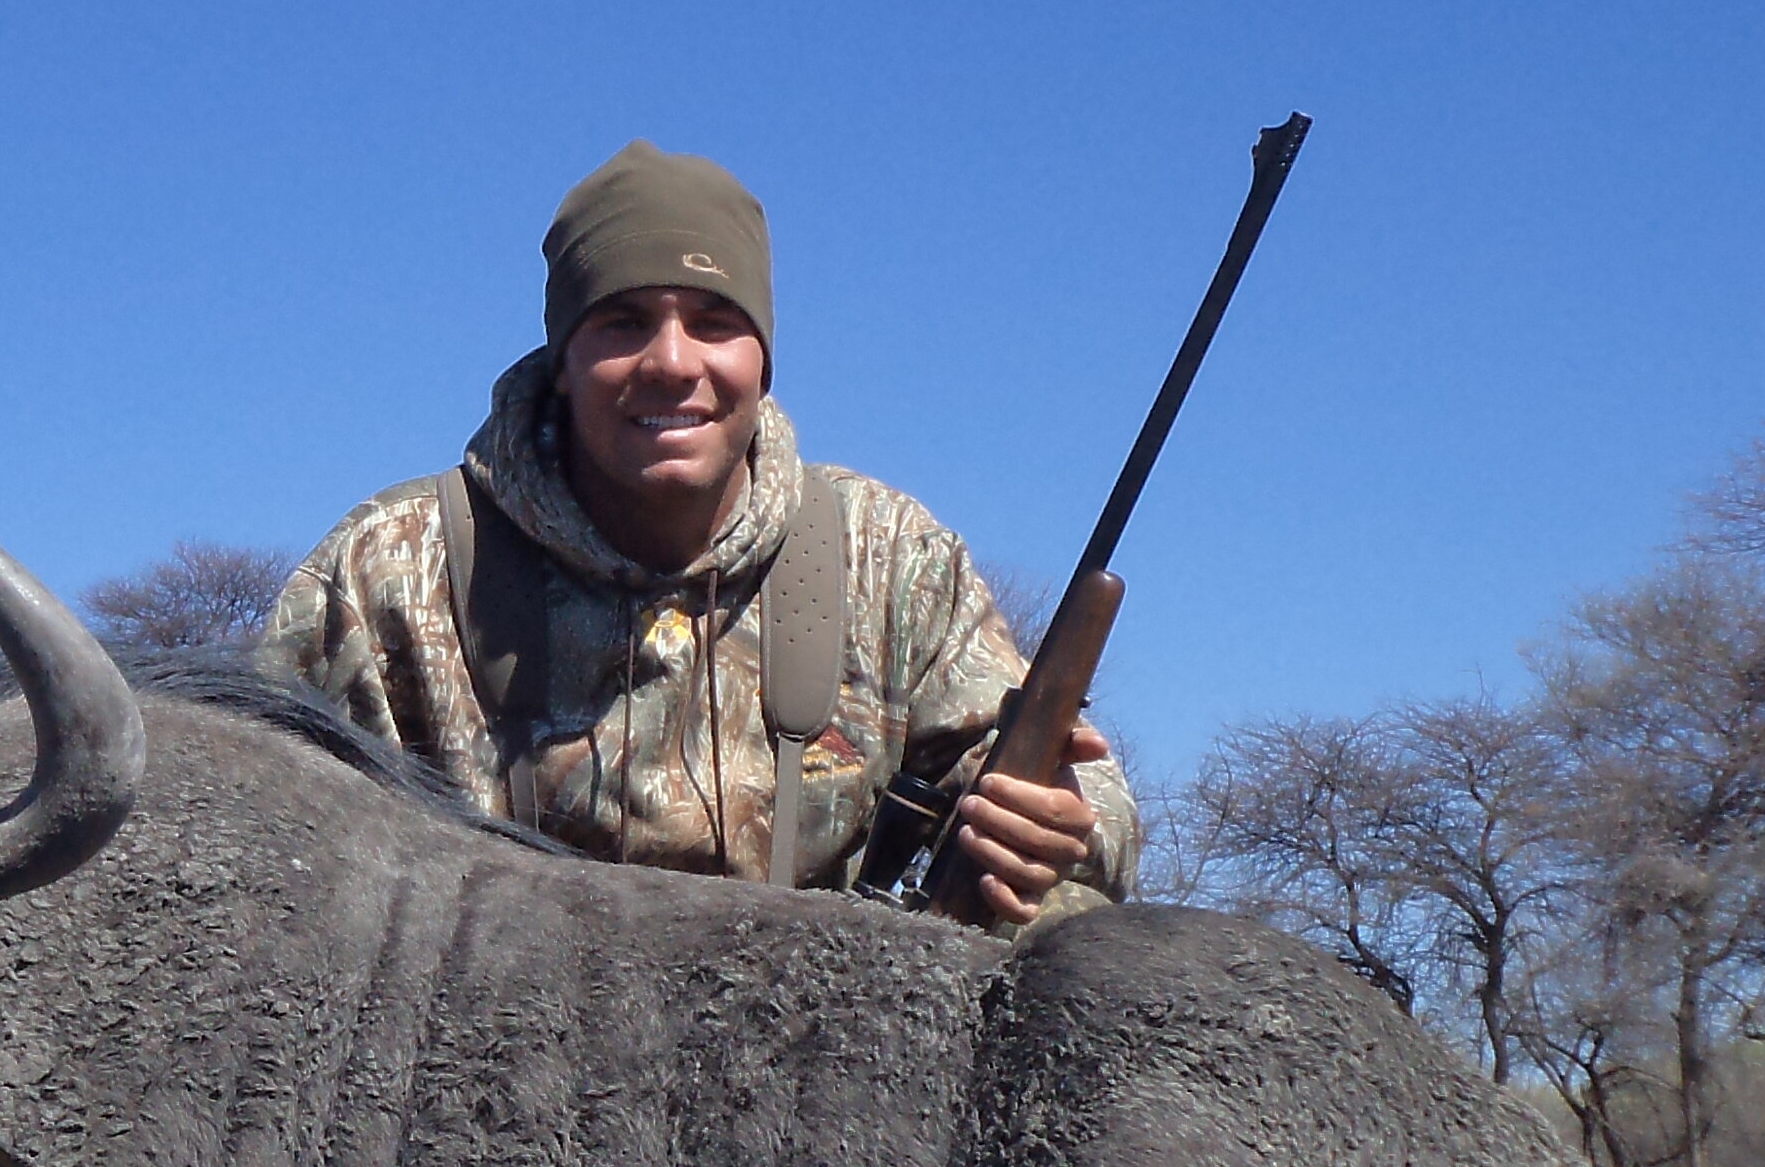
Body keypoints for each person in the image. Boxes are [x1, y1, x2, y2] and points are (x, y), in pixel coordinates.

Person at [257, 141, 1135, 920]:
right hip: (481, 1071)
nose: (673, 363)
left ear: (761, 361)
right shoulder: (391, 567)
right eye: (623, 322)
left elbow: (1067, 784)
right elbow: (263, 831)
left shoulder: (889, 555)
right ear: (561, 362)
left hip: (826, 1063)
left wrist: (1059, 821)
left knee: (1059, 917)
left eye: (714, 322)